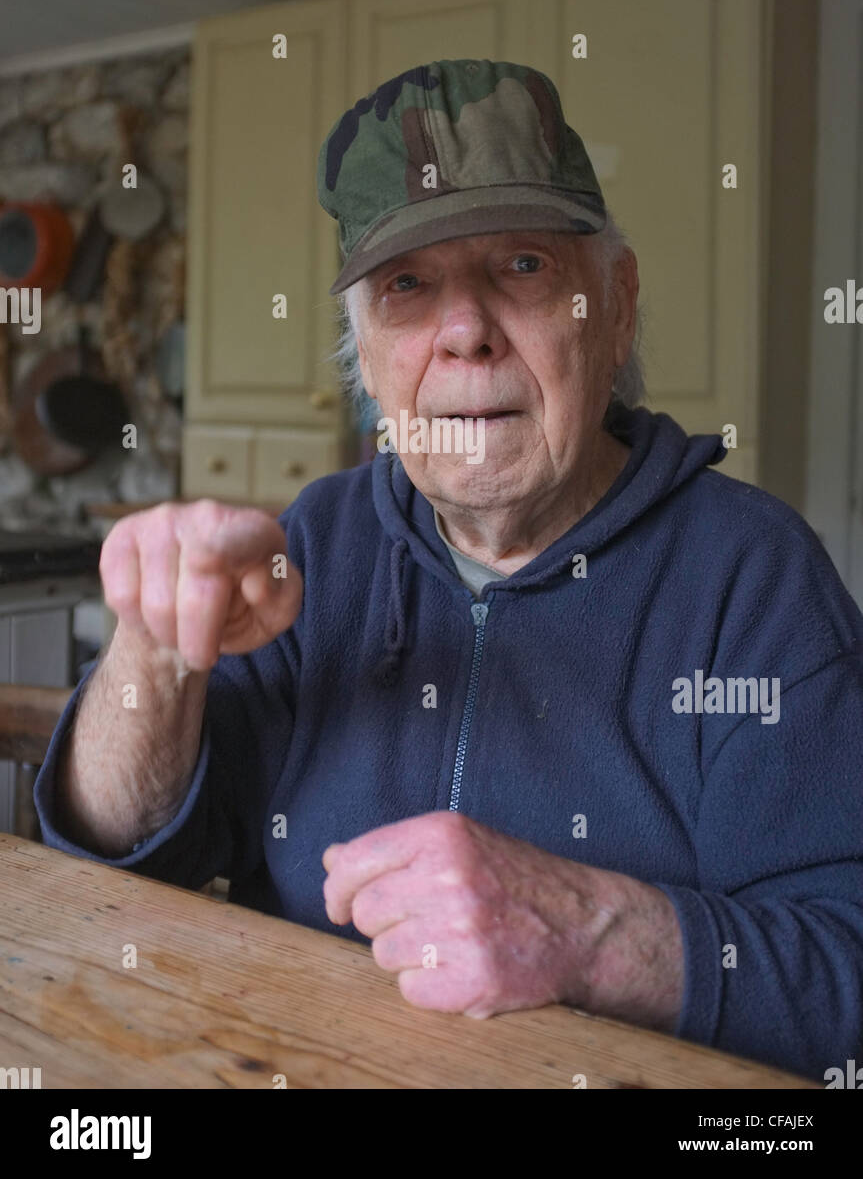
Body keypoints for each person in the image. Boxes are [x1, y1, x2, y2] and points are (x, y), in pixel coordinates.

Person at [35, 59, 863, 1084]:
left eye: (522, 264)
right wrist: (152, 656)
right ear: (364, 358)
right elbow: (119, 850)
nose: (465, 330)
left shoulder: (753, 580)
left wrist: (591, 933)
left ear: (614, 309)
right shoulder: (314, 541)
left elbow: (845, 971)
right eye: (407, 285)